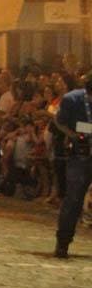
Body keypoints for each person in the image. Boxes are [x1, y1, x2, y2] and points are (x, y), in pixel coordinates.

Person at [53, 73, 92, 258]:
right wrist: (74, 135)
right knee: (73, 199)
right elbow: (59, 121)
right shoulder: (72, 99)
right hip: (81, 155)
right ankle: (63, 242)